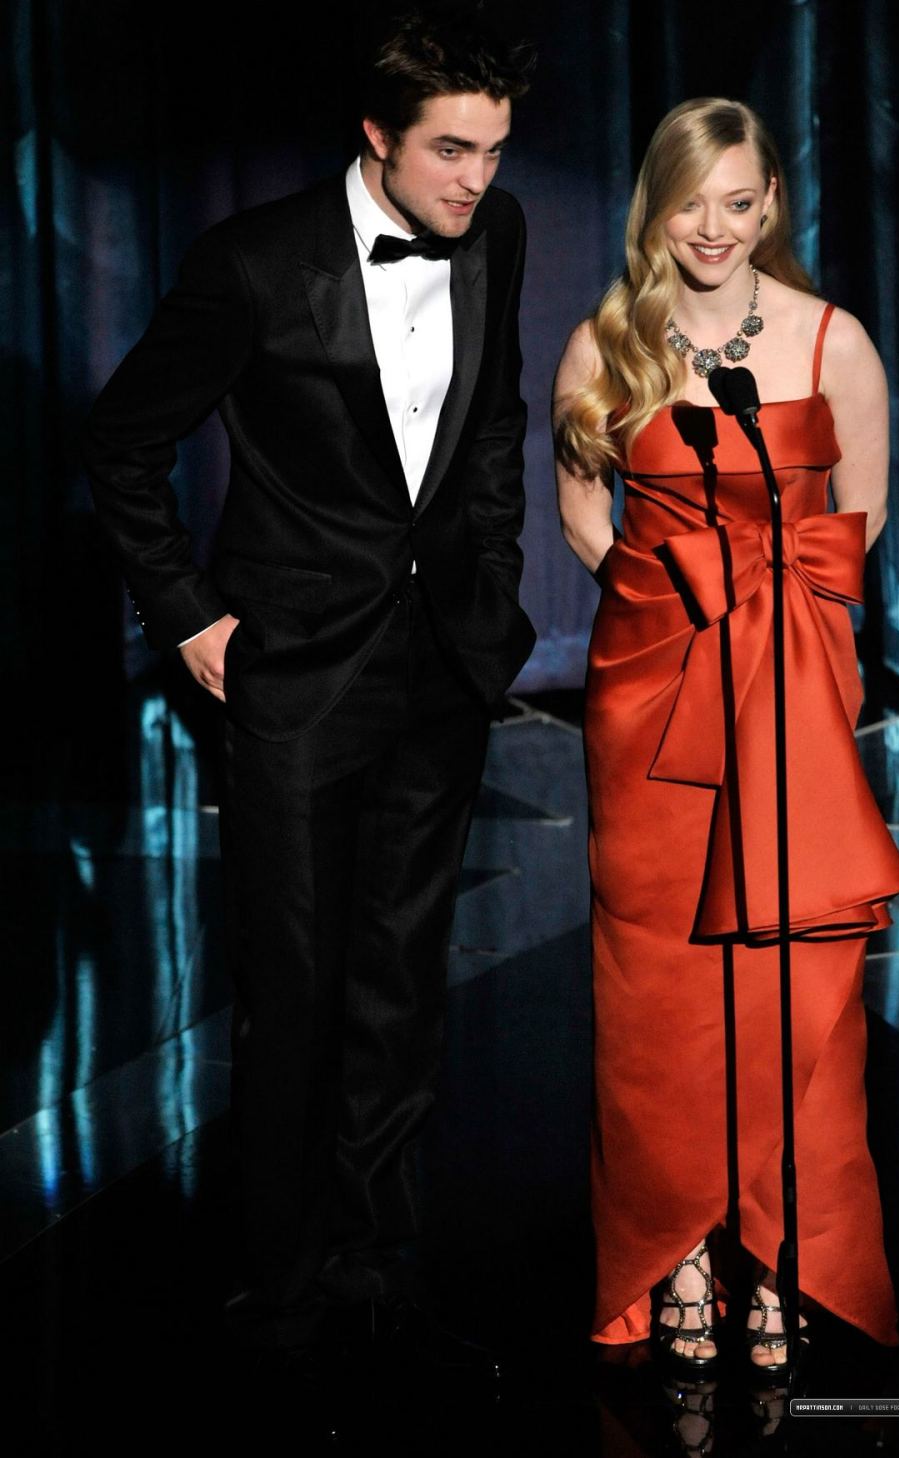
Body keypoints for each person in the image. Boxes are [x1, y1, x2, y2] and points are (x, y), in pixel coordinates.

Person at [83, 8, 536, 1365]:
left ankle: (372, 1249)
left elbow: (494, 417)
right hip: (292, 669)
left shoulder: (498, 235)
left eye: (495, 152)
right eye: (450, 150)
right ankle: (278, 1269)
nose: (476, 180)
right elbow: (121, 442)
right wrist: (187, 614)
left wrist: (492, 578)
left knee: (402, 972)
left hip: (440, 662)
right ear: (377, 135)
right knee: (292, 976)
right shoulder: (253, 263)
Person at [553, 97, 899, 1378]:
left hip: (790, 691)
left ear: (770, 205)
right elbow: (583, 518)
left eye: (739, 201)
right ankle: (674, 1248)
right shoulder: (605, 343)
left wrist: (771, 625)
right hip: (651, 696)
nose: (714, 227)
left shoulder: (833, 339)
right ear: (654, 207)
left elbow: (857, 519)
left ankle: (783, 1246)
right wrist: (671, 611)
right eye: (689, 203)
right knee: (656, 981)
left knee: (789, 966)